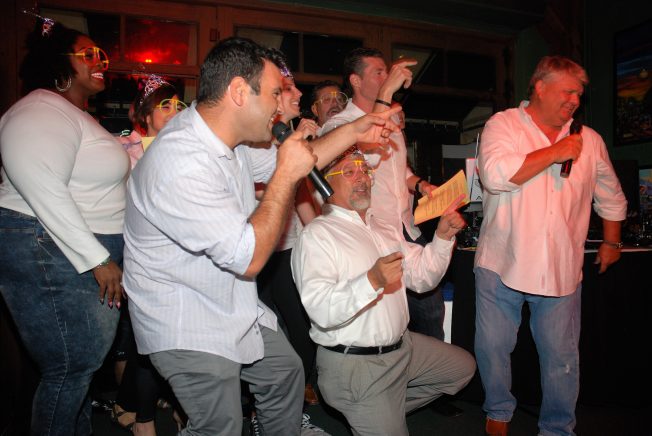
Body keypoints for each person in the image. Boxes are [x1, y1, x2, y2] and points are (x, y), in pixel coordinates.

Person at [121, 36, 400, 436]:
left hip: (228, 302)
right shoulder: (181, 162)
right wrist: (285, 175)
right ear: (239, 92)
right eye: (273, 93)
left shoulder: (224, 136)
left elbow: (304, 160)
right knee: (220, 425)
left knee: (285, 374)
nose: (278, 105)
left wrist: (356, 129)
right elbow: (249, 257)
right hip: (186, 318)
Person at [474, 55, 627, 436]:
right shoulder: (503, 124)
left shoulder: (590, 140)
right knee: (493, 348)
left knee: (561, 358)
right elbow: (494, 176)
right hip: (502, 262)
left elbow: (611, 195)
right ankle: (498, 412)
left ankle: (557, 429)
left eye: (579, 94)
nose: (575, 100)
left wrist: (612, 241)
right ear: (540, 87)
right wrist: (555, 153)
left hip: (561, 268)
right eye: (568, 91)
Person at [291, 148, 476, 436]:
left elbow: (422, 278)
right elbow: (321, 311)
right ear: (326, 183)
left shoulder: (382, 227)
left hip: (403, 348)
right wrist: (371, 280)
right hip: (356, 365)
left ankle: (383, 411)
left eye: (365, 170)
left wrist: (441, 238)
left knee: (461, 368)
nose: (362, 177)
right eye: (349, 171)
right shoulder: (317, 236)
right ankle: (376, 413)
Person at [0, 19, 127, 436]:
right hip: (51, 247)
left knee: (79, 370)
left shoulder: (72, 114)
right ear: (59, 63)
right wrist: (97, 259)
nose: (100, 62)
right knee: (71, 366)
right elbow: (41, 184)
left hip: (69, 249)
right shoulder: (39, 109)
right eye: (89, 55)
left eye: (102, 55)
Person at [321, 47, 446, 341]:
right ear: (355, 81)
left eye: (386, 72)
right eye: (378, 72)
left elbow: (398, 168)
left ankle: (429, 368)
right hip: (374, 234)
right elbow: (366, 158)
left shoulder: (391, 116)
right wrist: (387, 91)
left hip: (406, 227)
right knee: (391, 319)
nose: (386, 77)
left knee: (431, 314)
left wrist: (420, 185)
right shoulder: (339, 125)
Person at [251, 59, 325, 432]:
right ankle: (262, 415)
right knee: (257, 340)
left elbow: (303, 199)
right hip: (252, 253)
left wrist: (322, 237)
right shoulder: (254, 140)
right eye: (286, 88)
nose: (298, 94)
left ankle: (286, 415)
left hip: (287, 248)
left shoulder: (290, 136)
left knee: (300, 332)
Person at [111, 75, 187, 435]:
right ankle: (139, 414)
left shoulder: (187, 148)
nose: (173, 111)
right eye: (164, 105)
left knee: (177, 337)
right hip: (141, 253)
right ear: (145, 112)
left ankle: (174, 405)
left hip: (181, 255)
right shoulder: (122, 150)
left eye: (178, 105)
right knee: (146, 338)